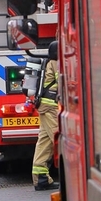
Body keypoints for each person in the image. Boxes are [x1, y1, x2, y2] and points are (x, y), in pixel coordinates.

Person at [32, 41, 59, 191]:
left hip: (45, 107)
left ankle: (41, 178)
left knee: (44, 143)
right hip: (51, 108)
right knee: (59, 139)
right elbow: (65, 82)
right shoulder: (57, 64)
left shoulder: (49, 62)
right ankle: (72, 174)